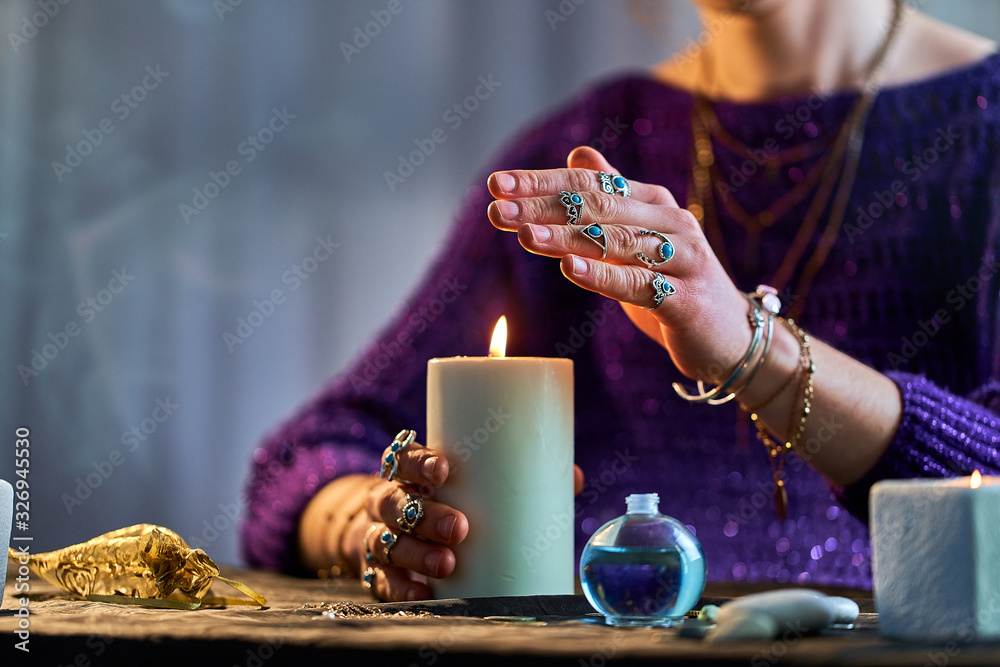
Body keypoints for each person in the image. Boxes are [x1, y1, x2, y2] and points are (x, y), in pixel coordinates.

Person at [241, 0, 1000, 602]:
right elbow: (309, 453)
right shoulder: (584, 156)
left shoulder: (981, 133)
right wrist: (381, 525)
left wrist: (753, 350)